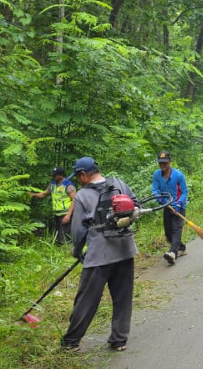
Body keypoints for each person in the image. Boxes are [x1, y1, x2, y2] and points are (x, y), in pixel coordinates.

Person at [61, 157, 137, 352]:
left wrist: (76, 252)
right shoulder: (119, 183)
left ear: (84, 175)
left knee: (86, 299)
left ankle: (71, 341)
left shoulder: (82, 196)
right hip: (125, 250)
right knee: (122, 298)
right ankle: (119, 340)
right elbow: (135, 205)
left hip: (99, 256)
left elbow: (78, 232)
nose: (78, 180)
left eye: (78, 176)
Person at [151, 150, 188, 266]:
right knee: (168, 232)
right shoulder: (157, 175)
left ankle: (172, 253)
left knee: (177, 229)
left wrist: (179, 204)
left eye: (165, 163)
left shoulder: (178, 175)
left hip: (178, 206)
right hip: (166, 206)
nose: (163, 165)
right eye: (160, 163)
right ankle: (181, 247)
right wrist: (160, 199)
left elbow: (184, 192)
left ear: (170, 161)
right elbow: (155, 190)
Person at [30, 166, 75, 245]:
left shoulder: (68, 185)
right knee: (59, 236)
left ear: (61, 175)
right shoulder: (52, 184)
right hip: (57, 214)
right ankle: (62, 252)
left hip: (66, 214)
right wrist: (32, 194)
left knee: (66, 237)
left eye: (55, 175)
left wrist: (68, 215)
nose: (53, 177)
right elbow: (44, 194)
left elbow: (75, 200)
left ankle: (68, 253)